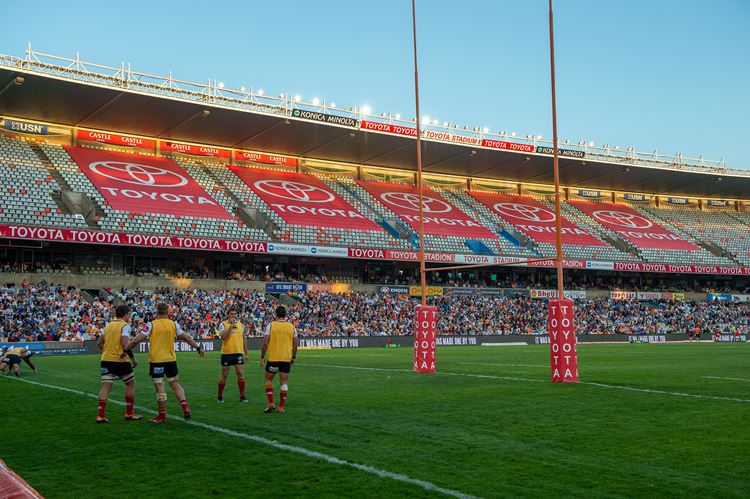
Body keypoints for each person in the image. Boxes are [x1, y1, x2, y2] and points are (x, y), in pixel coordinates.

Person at [124, 302, 204, 423]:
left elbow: (136, 339)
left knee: (160, 386)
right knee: (175, 384)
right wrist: (198, 348)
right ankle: (185, 407)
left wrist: (126, 349)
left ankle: (162, 416)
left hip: (157, 361)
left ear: (157, 311)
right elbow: (186, 337)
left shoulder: (151, 325)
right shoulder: (173, 324)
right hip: (171, 360)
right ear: (168, 312)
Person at [96, 304, 142, 423]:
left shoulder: (109, 325)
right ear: (126, 314)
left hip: (106, 359)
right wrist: (133, 359)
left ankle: (100, 416)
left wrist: (108, 351)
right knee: (131, 384)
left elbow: (99, 343)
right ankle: (129, 413)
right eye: (129, 314)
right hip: (120, 360)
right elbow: (125, 344)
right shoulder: (125, 326)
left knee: (105, 387)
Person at [260, 305, 298, 414]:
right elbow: (295, 344)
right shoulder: (291, 327)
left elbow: (265, 342)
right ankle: (281, 407)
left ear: (275, 314)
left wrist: (262, 356)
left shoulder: (271, 326)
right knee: (284, 382)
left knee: (268, 380)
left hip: (274, 358)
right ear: (286, 315)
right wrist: (293, 357)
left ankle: (271, 403)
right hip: (286, 359)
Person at [217, 307, 249, 403]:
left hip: (238, 352)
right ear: (228, 315)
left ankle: (242, 396)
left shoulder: (241, 325)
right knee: (224, 375)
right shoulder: (223, 324)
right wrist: (230, 327)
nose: (233, 315)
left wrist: (246, 353)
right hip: (227, 353)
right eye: (231, 314)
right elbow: (223, 337)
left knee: (240, 374)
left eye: (235, 314)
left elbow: (244, 340)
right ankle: (220, 396)